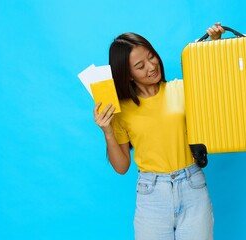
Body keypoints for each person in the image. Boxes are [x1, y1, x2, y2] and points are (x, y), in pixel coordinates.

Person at [93, 23, 225, 240]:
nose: (151, 66)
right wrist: (107, 131)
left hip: (193, 186)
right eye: (140, 65)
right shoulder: (121, 110)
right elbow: (122, 166)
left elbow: (217, 86)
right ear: (127, 75)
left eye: (151, 56)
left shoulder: (182, 89)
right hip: (151, 194)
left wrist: (215, 45)